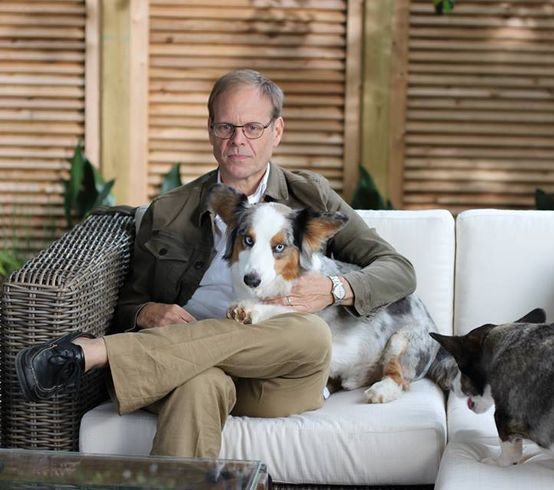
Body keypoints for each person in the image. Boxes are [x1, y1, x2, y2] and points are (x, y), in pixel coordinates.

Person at [15, 68, 416, 458]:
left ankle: (91, 354)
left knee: (312, 334)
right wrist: (149, 312)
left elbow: (398, 270)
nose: (237, 140)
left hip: (281, 375)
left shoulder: (310, 197)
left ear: (276, 131)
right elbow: (126, 306)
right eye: (225, 127)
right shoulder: (169, 210)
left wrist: (334, 289)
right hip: (189, 366)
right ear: (210, 131)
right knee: (196, 384)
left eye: (252, 128)